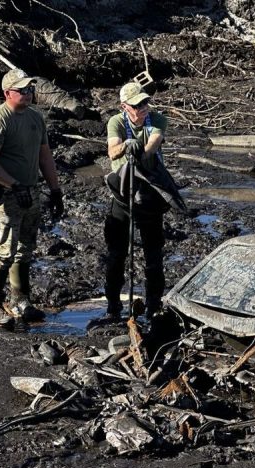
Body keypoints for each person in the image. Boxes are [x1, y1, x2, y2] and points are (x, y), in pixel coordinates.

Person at [0, 69, 65, 325]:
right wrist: (13, 185)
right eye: (22, 90)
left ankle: (21, 300)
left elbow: (44, 156)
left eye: (30, 89)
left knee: (25, 249)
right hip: (5, 194)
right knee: (4, 250)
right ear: (8, 93)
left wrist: (55, 189)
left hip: (30, 190)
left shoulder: (35, 119)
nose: (28, 94)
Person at [103, 82, 171, 321]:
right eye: (137, 105)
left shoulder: (158, 119)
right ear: (124, 106)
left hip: (149, 192)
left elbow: (154, 144)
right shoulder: (117, 122)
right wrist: (125, 146)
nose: (143, 108)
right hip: (123, 193)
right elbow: (112, 152)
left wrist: (141, 151)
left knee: (154, 253)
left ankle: (154, 303)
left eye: (145, 102)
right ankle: (113, 306)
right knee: (117, 253)